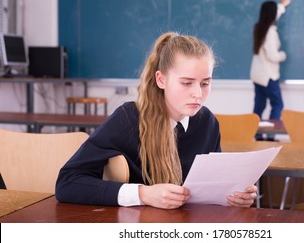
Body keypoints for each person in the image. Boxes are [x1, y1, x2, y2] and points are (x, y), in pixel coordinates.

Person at [56, 32, 257, 209]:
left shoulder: (207, 123)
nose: (198, 93)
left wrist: (233, 197)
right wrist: (143, 194)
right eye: (186, 83)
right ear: (161, 79)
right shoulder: (129, 118)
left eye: (205, 83)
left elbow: (211, 188)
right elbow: (67, 183)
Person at [250, 0, 291, 140]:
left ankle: (257, 134)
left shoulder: (260, 27)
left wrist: (282, 6)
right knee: (277, 104)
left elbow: (275, 15)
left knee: (259, 105)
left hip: (257, 74)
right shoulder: (270, 32)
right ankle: (271, 136)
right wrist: (283, 55)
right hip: (268, 75)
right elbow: (273, 56)